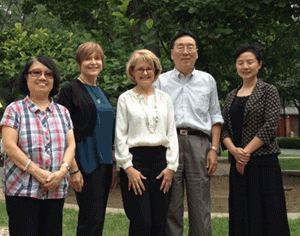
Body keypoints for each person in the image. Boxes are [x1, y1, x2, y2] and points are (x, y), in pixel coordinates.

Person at [154, 30, 224, 236]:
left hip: (199, 144)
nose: (185, 52)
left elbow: (215, 117)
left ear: (197, 53)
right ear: (172, 54)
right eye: (180, 47)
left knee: (200, 202)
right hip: (169, 144)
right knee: (171, 202)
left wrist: (213, 148)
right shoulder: (161, 81)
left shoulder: (207, 80)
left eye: (190, 47)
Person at [0, 55, 76, 236]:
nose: (43, 77)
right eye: (36, 72)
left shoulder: (62, 112)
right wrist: (38, 173)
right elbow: (9, 146)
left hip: (55, 188)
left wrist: (62, 172)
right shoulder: (14, 109)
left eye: (48, 74)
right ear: (26, 77)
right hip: (22, 189)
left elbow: (71, 145)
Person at [222, 43, 290, 235]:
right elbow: (224, 128)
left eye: (250, 62)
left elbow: (270, 126)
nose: (245, 66)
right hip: (238, 165)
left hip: (263, 162)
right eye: (240, 62)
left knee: (269, 212)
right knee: (241, 210)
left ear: (259, 64)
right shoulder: (231, 96)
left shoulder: (269, 91)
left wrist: (246, 152)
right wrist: (235, 152)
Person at [115, 49, 179, 236]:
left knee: (159, 221)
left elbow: (172, 134)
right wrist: (128, 168)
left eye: (149, 69)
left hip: (161, 163)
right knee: (141, 220)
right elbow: (120, 136)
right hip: (135, 163)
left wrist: (171, 167)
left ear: (155, 71)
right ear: (132, 72)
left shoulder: (165, 99)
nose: (145, 73)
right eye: (140, 69)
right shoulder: (125, 99)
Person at [56, 42, 117, 236]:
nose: (93, 62)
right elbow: (63, 130)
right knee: (89, 219)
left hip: (105, 163)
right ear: (79, 62)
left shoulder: (103, 92)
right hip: (84, 161)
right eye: (88, 58)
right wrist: (73, 168)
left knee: (98, 217)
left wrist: (114, 164)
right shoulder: (69, 89)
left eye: (97, 58)